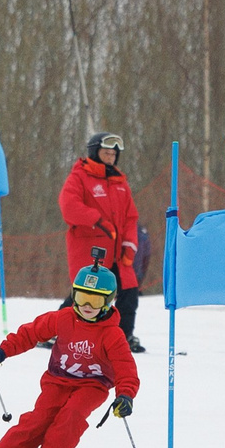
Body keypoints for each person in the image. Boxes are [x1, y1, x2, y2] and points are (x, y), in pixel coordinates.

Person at [0, 257, 140, 448]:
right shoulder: (63, 318)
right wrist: (1, 352)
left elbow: (126, 368)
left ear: (109, 301)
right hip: (57, 381)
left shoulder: (112, 335)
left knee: (70, 417)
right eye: (81, 297)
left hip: (92, 386)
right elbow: (30, 334)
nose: (87, 306)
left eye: (94, 300)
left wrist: (125, 395)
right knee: (36, 421)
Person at [61, 132, 145, 350]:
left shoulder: (120, 182)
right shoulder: (80, 176)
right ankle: (57, 330)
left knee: (128, 292)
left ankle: (123, 338)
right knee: (86, 295)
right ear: (95, 152)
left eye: (113, 154)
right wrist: (97, 220)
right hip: (91, 250)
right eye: (106, 153)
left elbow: (130, 217)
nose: (110, 157)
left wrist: (130, 245)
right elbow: (68, 205)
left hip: (118, 254)